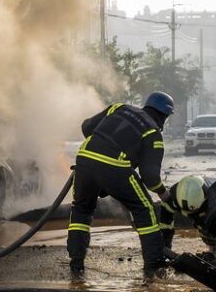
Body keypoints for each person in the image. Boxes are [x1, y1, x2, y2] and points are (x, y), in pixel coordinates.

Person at [68, 91, 174, 278]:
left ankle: (76, 264)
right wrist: (163, 193)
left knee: (81, 210)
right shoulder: (152, 132)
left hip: (84, 161)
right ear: (164, 116)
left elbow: (86, 127)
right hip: (115, 166)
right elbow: (150, 178)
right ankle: (154, 265)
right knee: (145, 209)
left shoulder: (119, 107)